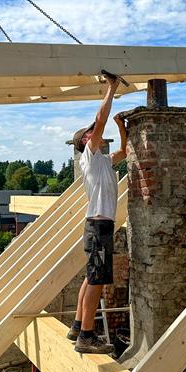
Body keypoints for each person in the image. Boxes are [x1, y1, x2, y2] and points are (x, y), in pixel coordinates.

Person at [68, 74, 128, 354]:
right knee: (96, 281)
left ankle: (79, 327)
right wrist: (111, 88)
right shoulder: (89, 156)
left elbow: (125, 152)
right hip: (99, 226)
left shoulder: (103, 160)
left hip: (98, 226)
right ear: (87, 140)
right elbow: (99, 118)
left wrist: (121, 126)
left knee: (89, 279)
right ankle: (87, 338)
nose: (99, 131)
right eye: (94, 131)